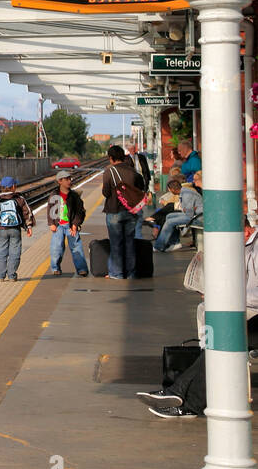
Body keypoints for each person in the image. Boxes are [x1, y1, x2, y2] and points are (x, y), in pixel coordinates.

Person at [137, 217, 258, 418]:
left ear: (243, 231)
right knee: (213, 332)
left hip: (252, 312)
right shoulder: (245, 245)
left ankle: (181, 397)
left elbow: (254, 294)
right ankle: (182, 399)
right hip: (246, 311)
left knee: (220, 342)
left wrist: (225, 296)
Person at [101, 144, 144, 279]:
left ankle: (117, 273)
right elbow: (140, 188)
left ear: (111, 158)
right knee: (129, 243)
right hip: (131, 211)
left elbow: (106, 192)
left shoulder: (110, 172)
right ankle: (131, 273)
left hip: (114, 211)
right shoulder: (133, 172)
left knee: (116, 243)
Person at [0, 175, 34, 281]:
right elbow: (27, 212)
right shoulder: (19, 199)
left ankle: (0, 276)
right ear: (13, 187)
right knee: (15, 252)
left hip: (2, 230)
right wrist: (29, 226)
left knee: (1, 252)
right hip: (15, 230)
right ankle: (12, 275)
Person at [45, 170, 89, 277]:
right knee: (57, 248)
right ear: (60, 181)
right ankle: (55, 268)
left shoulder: (74, 196)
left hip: (71, 226)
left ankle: (82, 269)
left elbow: (80, 212)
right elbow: (50, 210)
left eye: (70, 179)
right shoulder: (54, 195)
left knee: (76, 247)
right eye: (67, 179)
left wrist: (75, 224)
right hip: (58, 225)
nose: (69, 181)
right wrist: (51, 223)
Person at [153, 170, 202, 253]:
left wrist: (184, 229)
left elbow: (189, 213)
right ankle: (174, 243)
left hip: (198, 218)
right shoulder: (184, 192)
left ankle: (159, 246)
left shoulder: (186, 195)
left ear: (172, 189)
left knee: (170, 222)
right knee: (169, 216)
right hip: (194, 215)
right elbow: (187, 209)